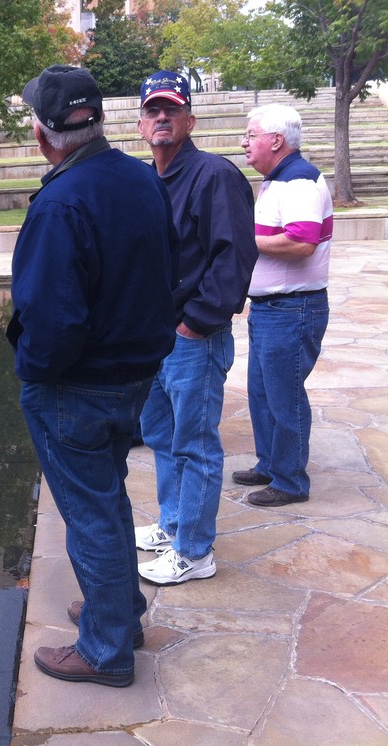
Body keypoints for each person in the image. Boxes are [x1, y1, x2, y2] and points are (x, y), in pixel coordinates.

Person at [8, 65, 176, 687]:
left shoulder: (60, 203)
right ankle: (119, 614)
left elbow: (53, 320)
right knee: (106, 499)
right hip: (134, 374)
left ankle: (106, 651)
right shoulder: (140, 177)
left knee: (91, 516)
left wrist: (33, 373)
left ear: (43, 134)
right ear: (99, 120)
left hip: (77, 386)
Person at [132, 71, 258, 586]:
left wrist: (196, 324)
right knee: (162, 438)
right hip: (154, 338)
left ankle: (195, 550)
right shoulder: (147, 180)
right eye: (153, 110)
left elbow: (235, 256)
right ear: (140, 125)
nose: (162, 117)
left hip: (192, 339)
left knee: (195, 445)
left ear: (190, 120)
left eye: (172, 109)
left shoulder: (214, 175)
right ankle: (173, 524)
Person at [233, 104, 332, 507]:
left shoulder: (299, 180)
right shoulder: (278, 179)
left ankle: (290, 481)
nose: (244, 142)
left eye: (251, 134)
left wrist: (244, 240)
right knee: (262, 392)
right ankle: (271, 464)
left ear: (276, 140)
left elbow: (302, 242)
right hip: (274, 309)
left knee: (284, 397)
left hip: (292, 309)